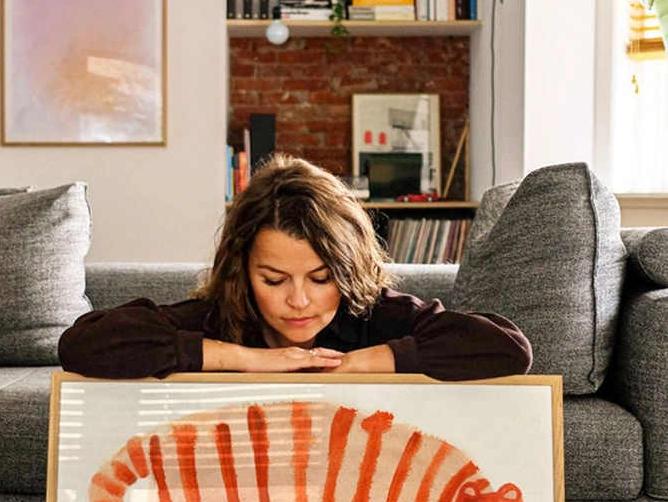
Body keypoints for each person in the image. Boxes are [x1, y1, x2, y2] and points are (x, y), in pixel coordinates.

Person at [58, 154, 532, 379]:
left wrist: (358, 363)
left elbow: (509, 349)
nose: (299, 301)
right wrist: (246, 359)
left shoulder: (377, 315)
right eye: (273, 279)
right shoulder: (224, 317)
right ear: (242, 273)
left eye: (322, 278)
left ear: (347, 270)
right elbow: (82, 346)